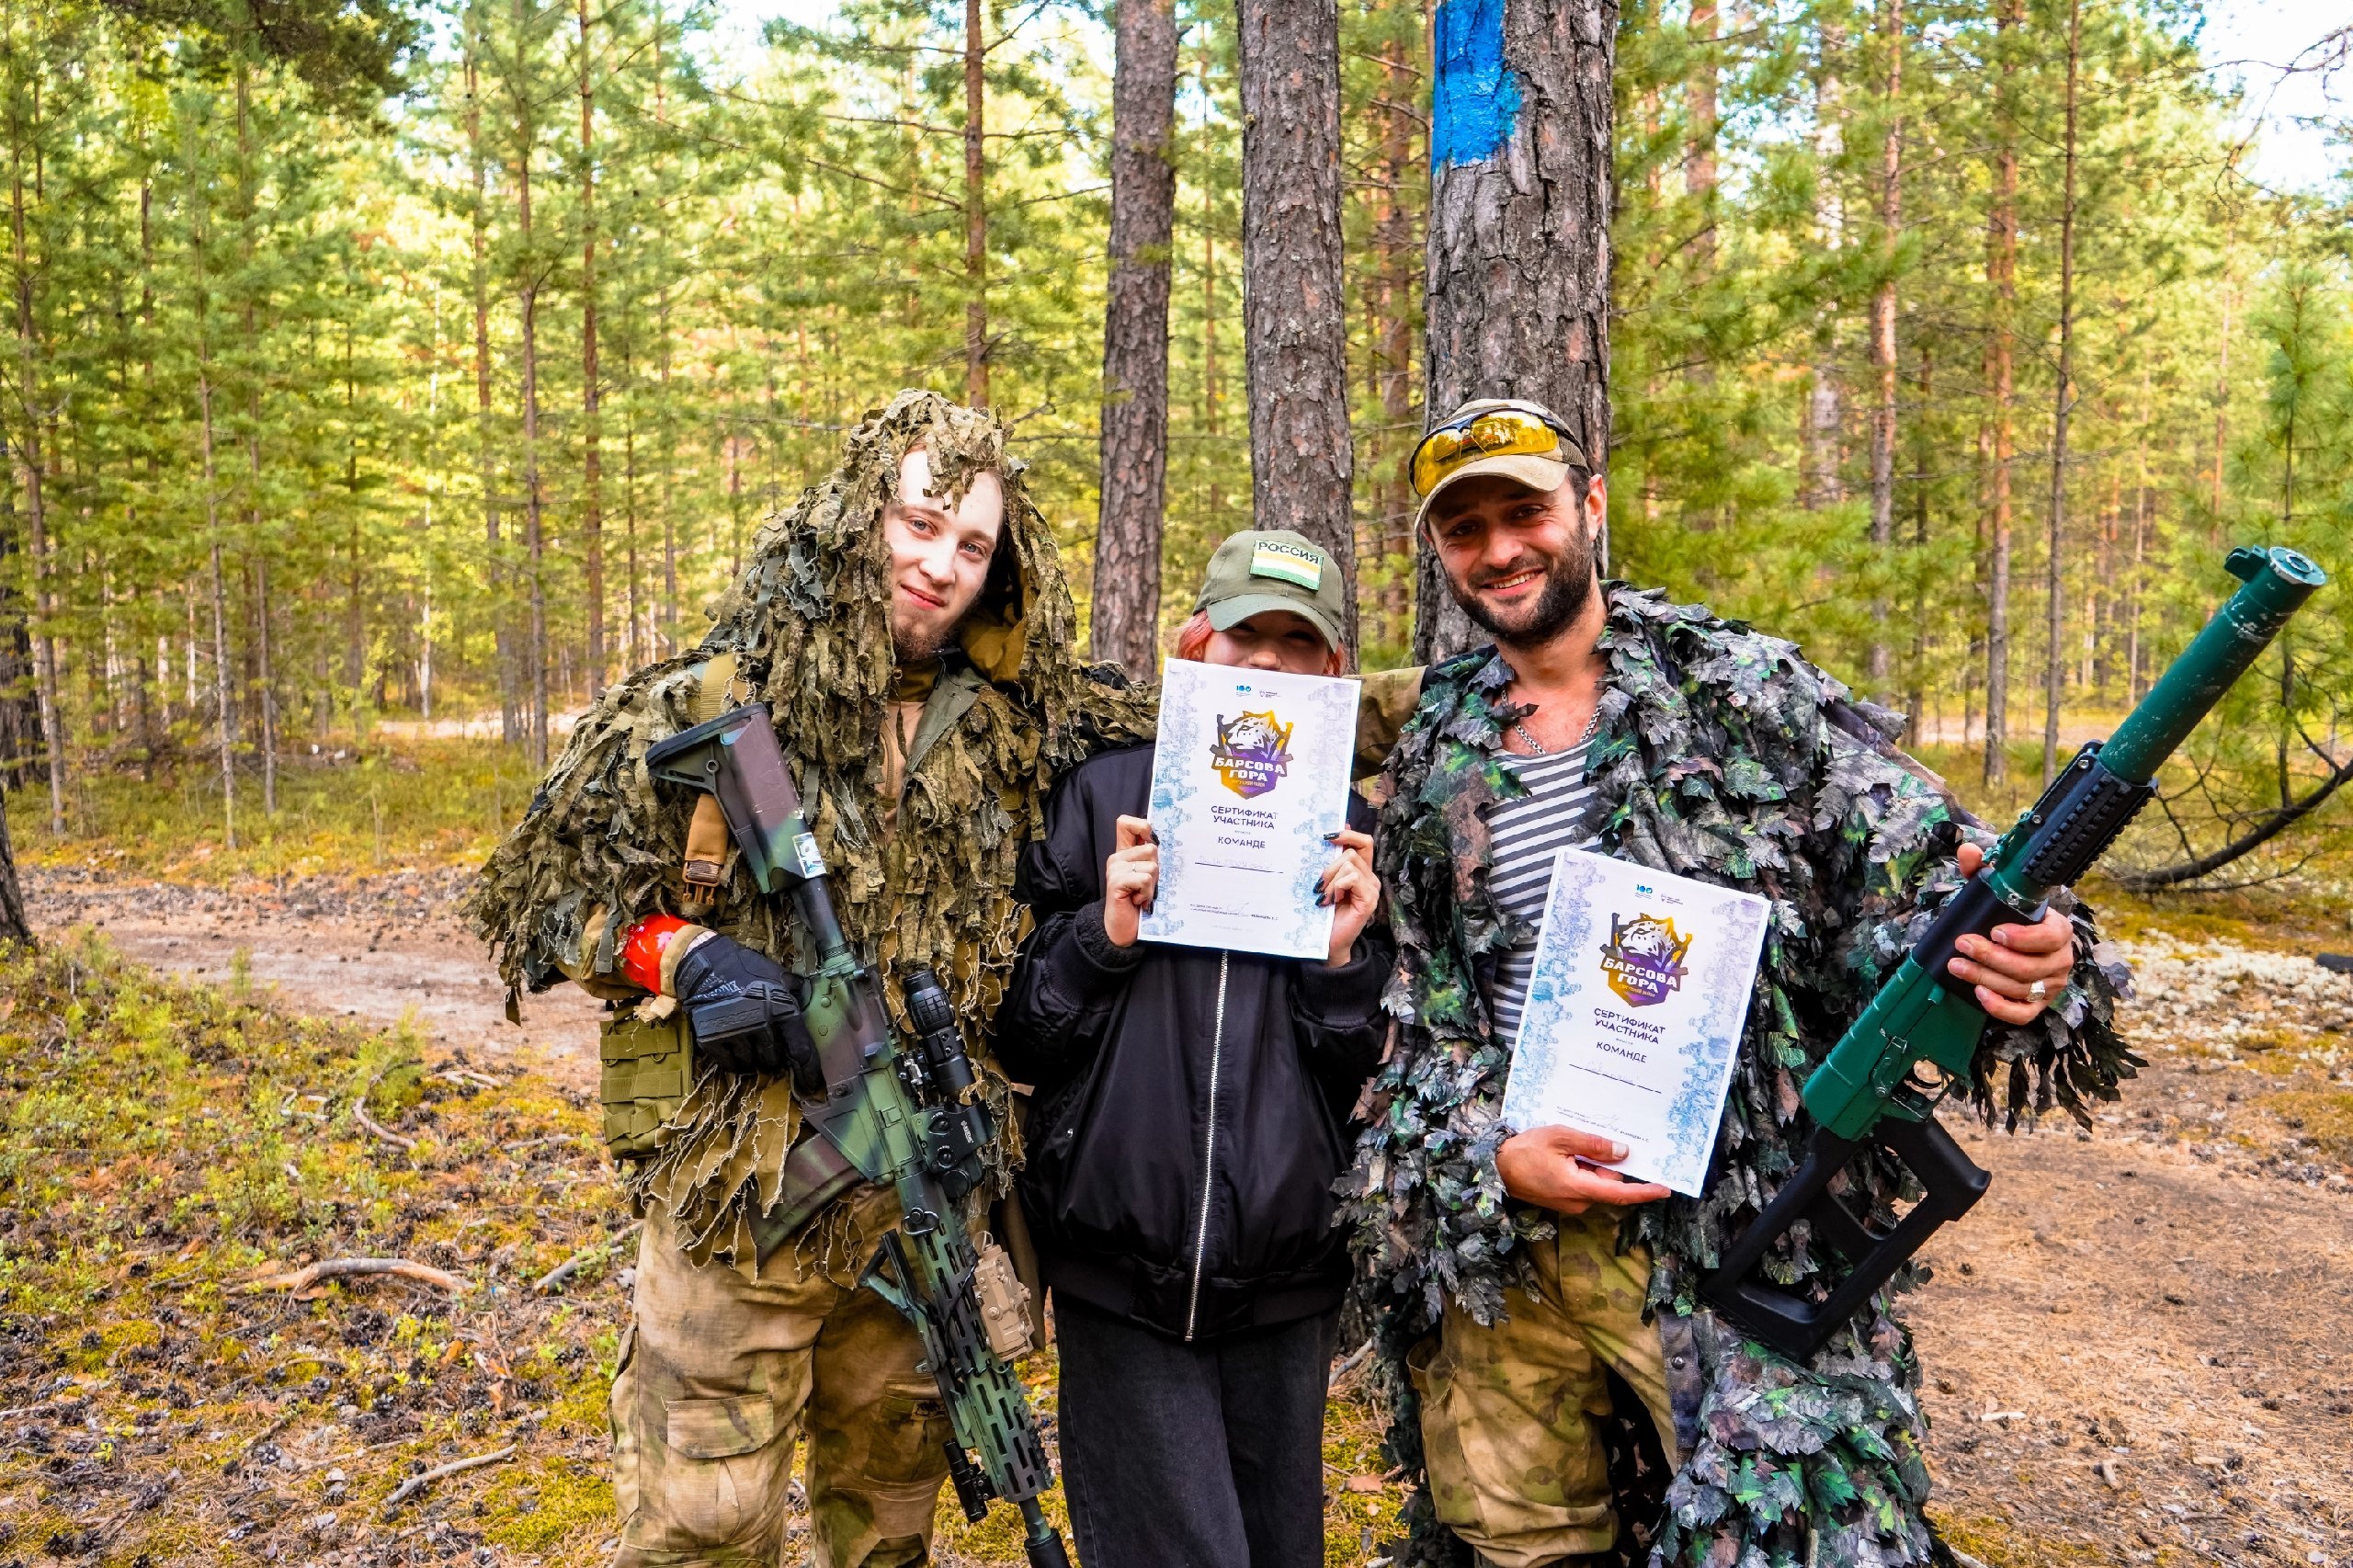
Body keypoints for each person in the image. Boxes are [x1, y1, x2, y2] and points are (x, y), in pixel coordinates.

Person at [1342, 398, 2132, 1567]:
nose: (1500, 549)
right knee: (1510, 1542)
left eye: (1527, 512)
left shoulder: (1738, 688)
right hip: (1507, 1242)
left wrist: (2031, 955)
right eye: (1466, 530)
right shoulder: (1434, 741)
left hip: (1737, 1238)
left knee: (1790, 1533)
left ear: (1590, 507)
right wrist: (1490, 1156)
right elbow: (1424, 1010)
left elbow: (1926, 883)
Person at [469, 390, 1149, 1568]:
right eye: (920, 522)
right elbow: (542, 901)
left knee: (889, 1528)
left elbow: (1231, 734)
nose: (939, 565)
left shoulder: (1028, 721)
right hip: (743, 1206)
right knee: (702, 1529)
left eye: (972, 544)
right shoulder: (703, 703)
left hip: (925, 1203)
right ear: (856, 517)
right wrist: (683, 956)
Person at [993, 529, 1395, 1568]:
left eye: (1294, 643)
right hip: (1118, 1268)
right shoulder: (1101, 796)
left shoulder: (1350, 833)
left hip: (1285, 1278)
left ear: (1330, 672)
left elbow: (1369, 1083)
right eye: (1243, 633)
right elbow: (1020, 1036)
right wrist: (1101, 935)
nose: (1265, 662)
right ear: (1194, 644)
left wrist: (1342, 960)